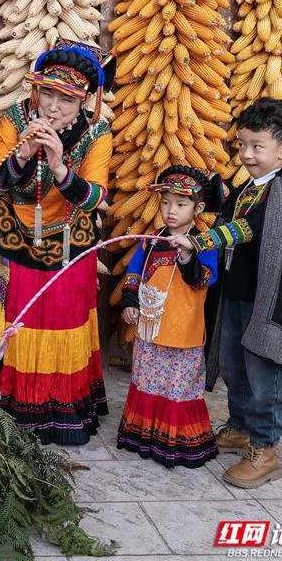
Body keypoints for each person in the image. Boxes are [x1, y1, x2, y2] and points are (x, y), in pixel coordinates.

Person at [171, 98, 282, 487]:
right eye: (242, 145)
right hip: (238, 295)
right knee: (234, 368)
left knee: (263, 376)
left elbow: (251, 227)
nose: (247, 154)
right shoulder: (242, 189)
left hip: (270, 301)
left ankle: (264, 448)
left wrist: (202, 240)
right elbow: (229, 221)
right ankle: (238, 427)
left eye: (257, 146)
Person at [0, 40, 115, 445]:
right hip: (16, 240)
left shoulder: (97, 133)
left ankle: (62, 403)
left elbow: (97, 198)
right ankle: (17, 404)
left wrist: (58, 166)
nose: (53, 109)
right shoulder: (15, 118)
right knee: (20, 327)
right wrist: (21, 157)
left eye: (67, 101)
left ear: (85, 104)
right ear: (36, 92)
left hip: (68, 246)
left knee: (63, 323)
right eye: (48, 96)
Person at [117, 166, 222, 468]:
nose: (171, 211)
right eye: (165, 203)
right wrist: (129, 301)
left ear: (198, 208)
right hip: (151, 326)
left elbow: (203, 281)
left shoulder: (205, 242)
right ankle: (145, 436)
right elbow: (135, 271)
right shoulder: (151, 240)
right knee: (148, 381)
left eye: (180, 204)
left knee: (177, 385)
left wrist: (188, 254)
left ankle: (174, 443)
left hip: (183, 330)